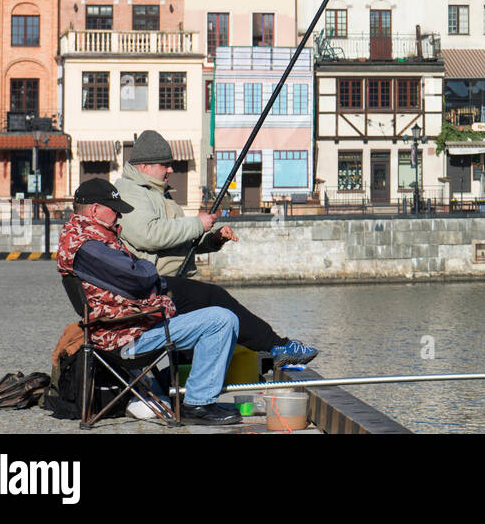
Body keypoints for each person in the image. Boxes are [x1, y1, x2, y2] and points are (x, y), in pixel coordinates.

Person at [114, 131, 318, 368]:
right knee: (215, 298)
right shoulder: (130, 192)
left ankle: (204, 385)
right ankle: (277, 346)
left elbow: (177, 237)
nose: (171, 170)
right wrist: (196, 224)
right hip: (153, 284)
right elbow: (148, 235)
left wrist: (212, 238)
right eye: (165, 165)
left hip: (176, 280)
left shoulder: (158, 192)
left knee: (214, 315)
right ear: (146, 166)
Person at [56, 178, 241, 425]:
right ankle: (198, 403)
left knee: (206, 304)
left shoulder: (88, 238)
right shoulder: (89, 246)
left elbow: (135, 275)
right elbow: (137, 277)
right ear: (94, 209)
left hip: (122, 329)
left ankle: (185, 391)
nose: (119, 215)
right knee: (222, 319)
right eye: (114, 208)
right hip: (125, 339)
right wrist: (148, 274)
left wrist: (146, 278)